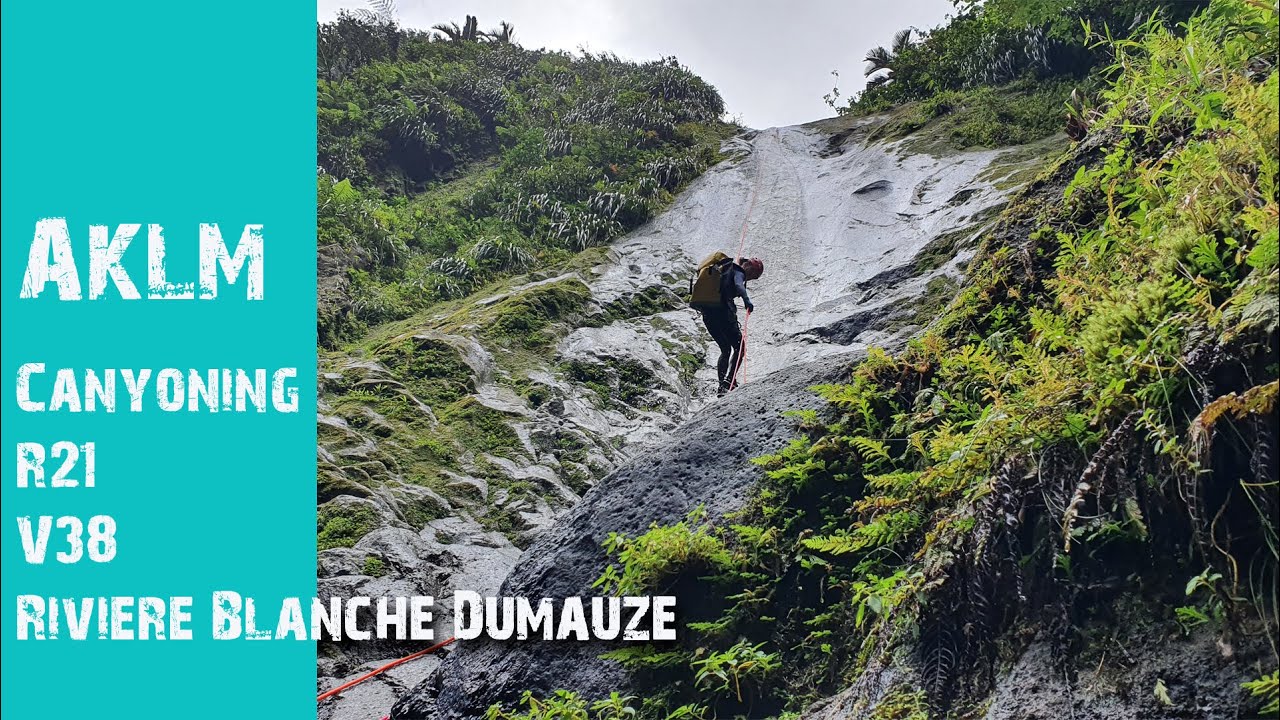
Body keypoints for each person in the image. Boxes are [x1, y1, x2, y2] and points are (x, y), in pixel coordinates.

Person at [698, 257, 763, 396]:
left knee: (725, 349)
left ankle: (722, 386)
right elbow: (739, 285)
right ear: (749, 267)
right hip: (723, 313)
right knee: (740, 347)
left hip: (708, 314)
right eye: (752, 274)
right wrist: (746, 300)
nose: (750, 277)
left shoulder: (724, 271)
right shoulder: (738, 271)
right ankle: (729, 381)